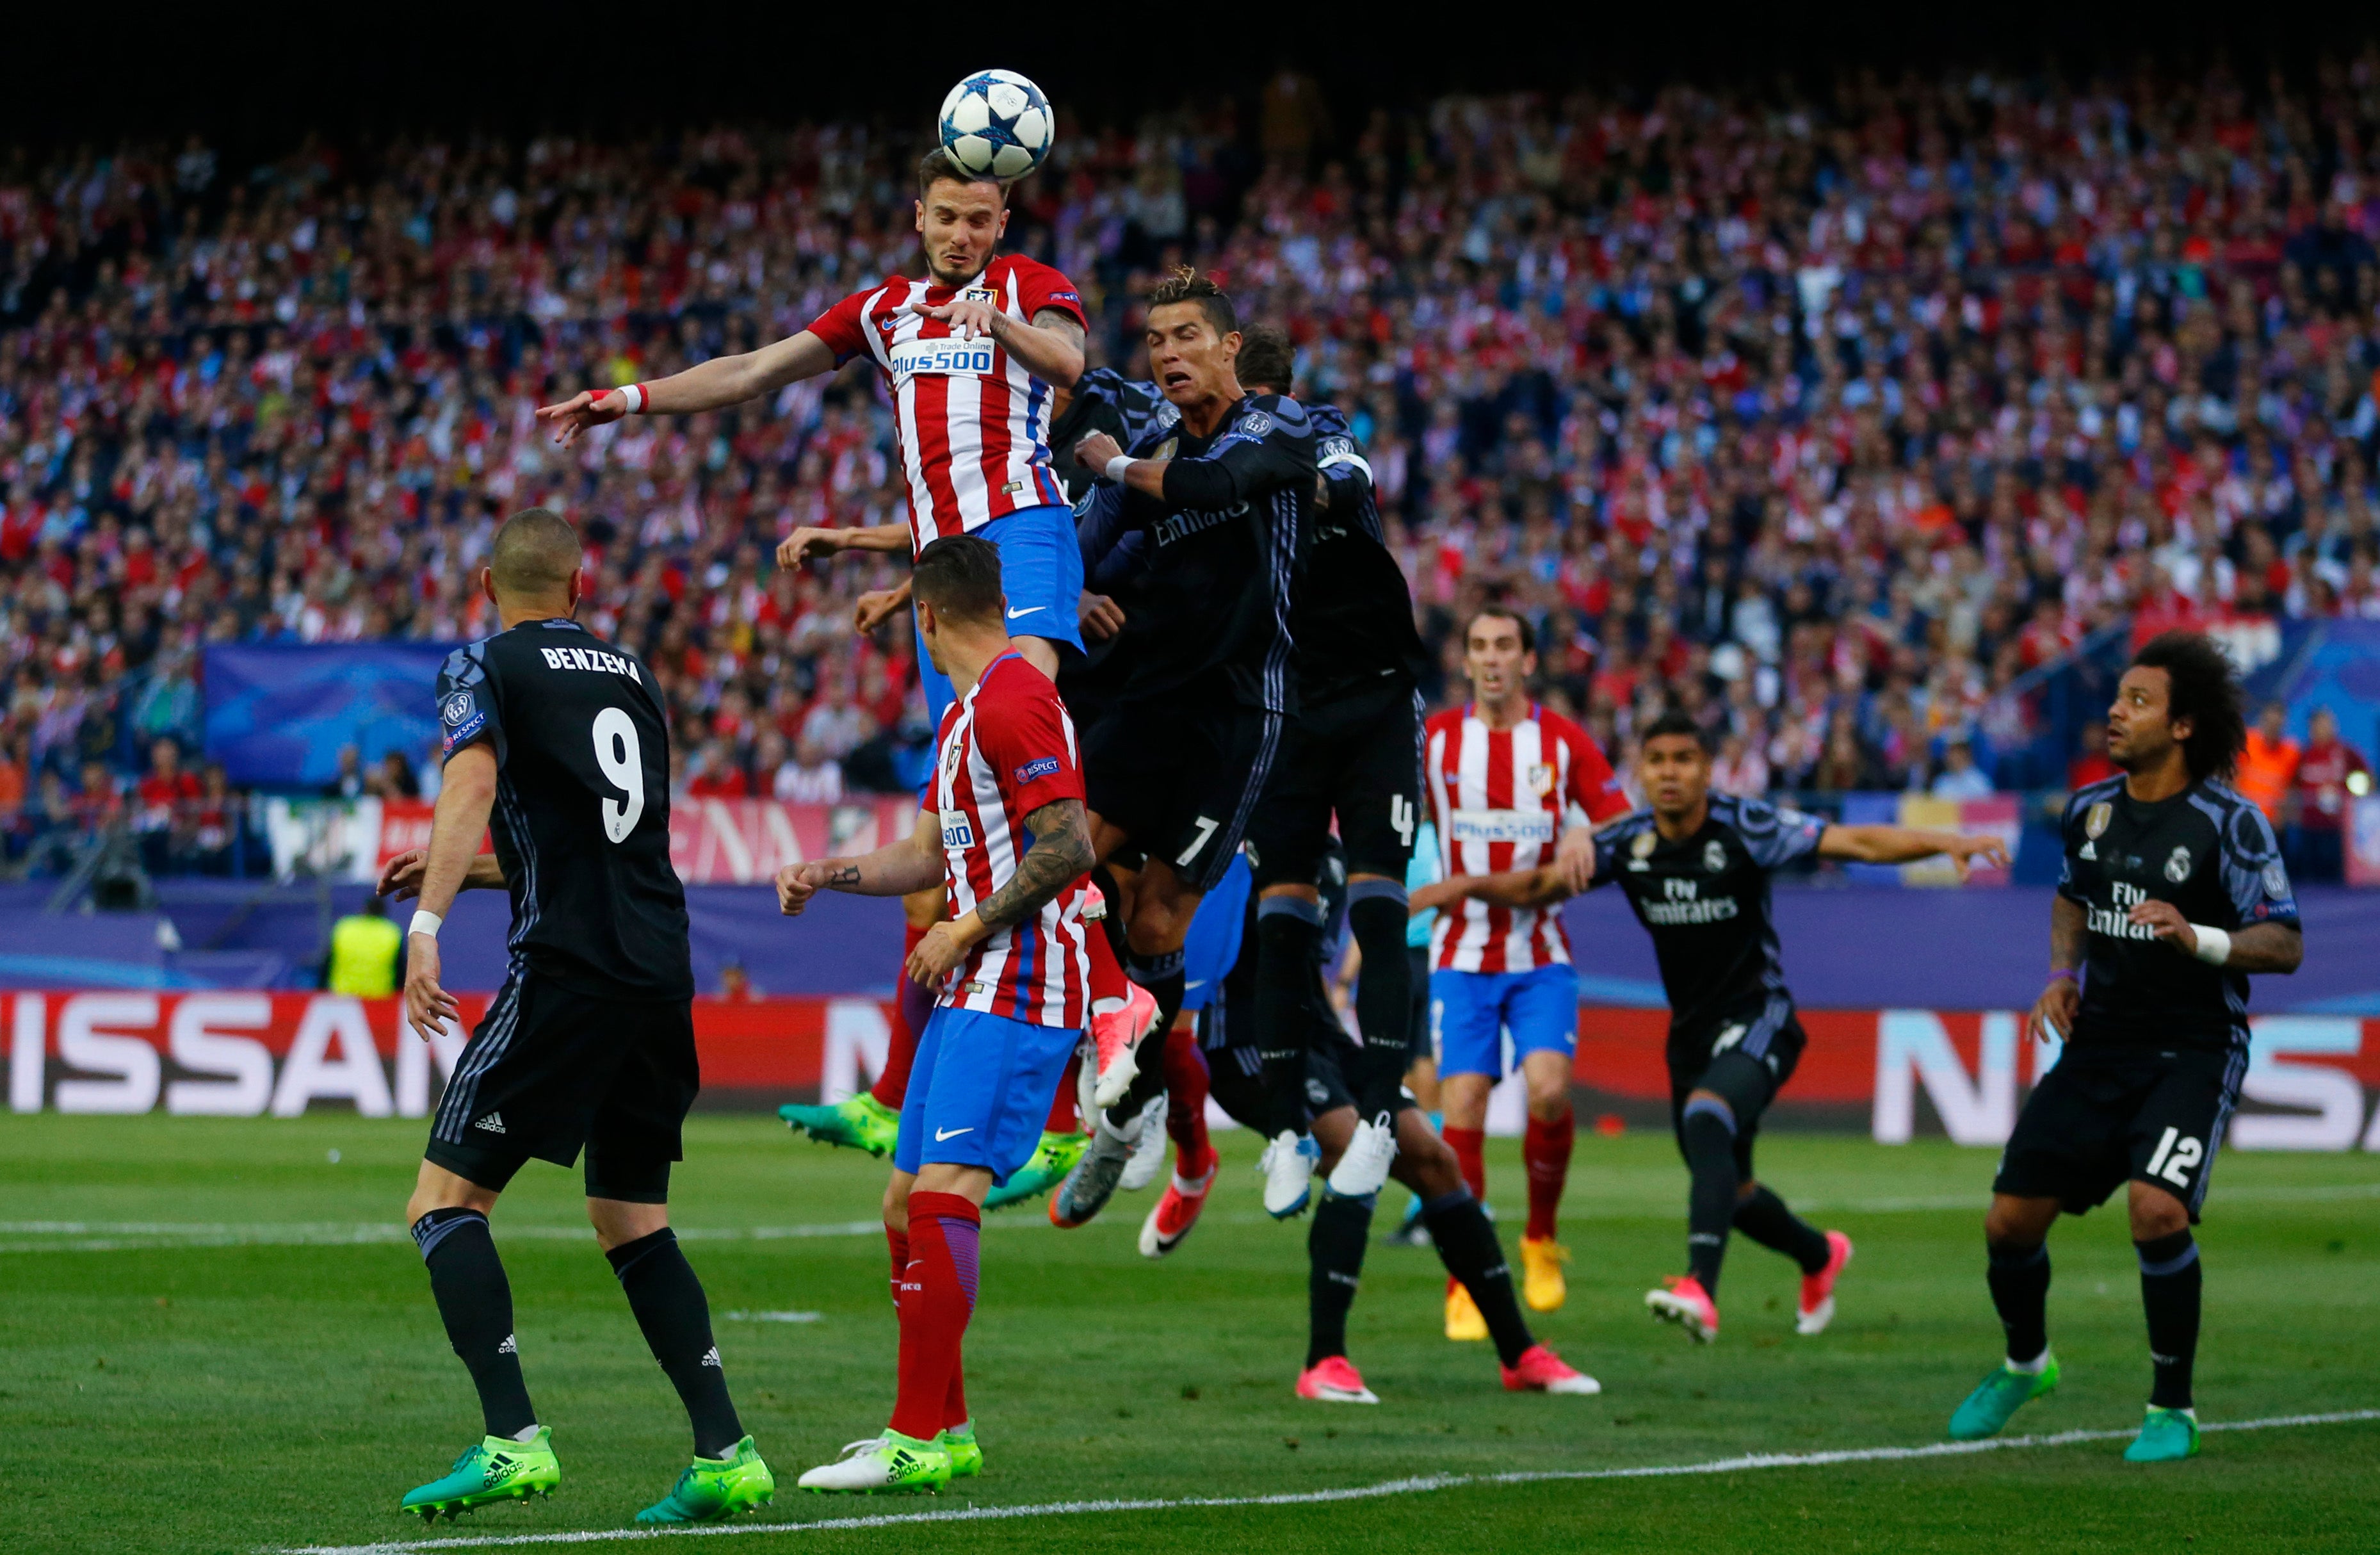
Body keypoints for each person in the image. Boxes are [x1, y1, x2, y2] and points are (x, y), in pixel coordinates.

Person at [382, 509, 774, 1525]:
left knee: (442, 1203)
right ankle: (726, 1453)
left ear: (484, 582)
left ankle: (512, 1441)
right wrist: (463, 873)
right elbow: (595, 832)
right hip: (658, 963)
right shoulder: (631, 674)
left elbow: (470, 780)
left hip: (568, 968)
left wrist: (427, 925)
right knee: (630, 1215)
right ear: (581, 589)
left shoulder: (481, 665)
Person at [1425, 709, 2007, 1346]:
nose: (1670, 772)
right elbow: (1539, 885)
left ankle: (1699, 1286)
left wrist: (1947, 842)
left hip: (1763, 1015)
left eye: (1683, 759)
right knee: (1731, 1187)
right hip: (1692, 1033)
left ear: (1707, 769)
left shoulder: (1748, 827)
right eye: (1657, 761)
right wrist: (1463, 885)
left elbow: (1856, 842)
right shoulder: (1628, 843)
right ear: (1641, 773)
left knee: (1708, 1117)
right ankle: (1818, 1255)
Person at [773, 535, 1096, 1494]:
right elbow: (927, 859)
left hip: (1019, 980)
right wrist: (829, 873)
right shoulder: (964, 720)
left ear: (924, 616)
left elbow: (1069, 844)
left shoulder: (1014, 699)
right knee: (902, 1201)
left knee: (943, 1195)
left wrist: (966, 929)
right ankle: (944, 1432)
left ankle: (912, 1436)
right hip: (972, 983)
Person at [1948, 631, 2301, 1464]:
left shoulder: (2231, 823)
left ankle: (2170, 1408)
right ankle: (2026, 1365)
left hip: (2192, 1050)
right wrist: (2061, 973)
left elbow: (2283, 942)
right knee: (2008, 1221)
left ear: (2182, 727)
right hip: (2099, 1045)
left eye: (2138, 701)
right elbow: (2072, 897)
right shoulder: (2090, 809)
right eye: (2118, 697)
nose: (2114, 710)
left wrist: (2199, 937)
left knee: (2157, 1209)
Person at [1042, 268, 1317, 1228]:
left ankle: (1146, 1108)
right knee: (1067, 854)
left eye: (1187, 335)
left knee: (1159, 921)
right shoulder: (1157, 443)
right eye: (1156, 339)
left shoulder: (1282, 431)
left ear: (1230, 348)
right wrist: (1071, 590)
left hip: (1240, 718)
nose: (1168, 354)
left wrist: (1115, 465)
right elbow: (1094, 544)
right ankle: (1127, 1090)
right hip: (1150, 704)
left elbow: (1214, 484)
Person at [1194, 843, 1601, 1402]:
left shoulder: (1333, 854)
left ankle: (1520, 1355)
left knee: (1436, 1160)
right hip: (1242, 1044)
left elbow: (1305, 963)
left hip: (1318, 1033)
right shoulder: (1223, 840)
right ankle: (1325, 1361)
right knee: (1351, 1151)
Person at [1227, 325, 1436, 1220]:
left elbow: (1345, 480)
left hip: (1375, 701)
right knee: (1282, 922)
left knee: (1381, 912)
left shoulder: (1322, 431)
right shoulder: (1195, 453)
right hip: (1285, 709)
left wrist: (1285, 477)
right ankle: (1284, 1134)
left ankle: (1381, 1118)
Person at [1418, 606, 1627, 1337]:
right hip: (1461, 954)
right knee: (1465, 1107)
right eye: (1480, 646)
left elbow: (1620, 818)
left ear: (1528, 661)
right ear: (1466, 661)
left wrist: (1581, 825)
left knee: (1548, 1091)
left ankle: (1540, 1238)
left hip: (1540, 953)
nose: (1493, 659)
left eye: (1506, 645)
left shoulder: (1562, 742)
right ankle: (1466, 1280)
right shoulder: (1436, 741)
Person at [2287, 706, 2367, 883]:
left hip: (2338, 827)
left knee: (2336, 879)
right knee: (2312, 879)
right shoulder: (2304, 755)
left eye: (2328, 723)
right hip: (2310, 827)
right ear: (2312, 727)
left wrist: (2354, 794)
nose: (2325, 727)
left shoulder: (2346, 752)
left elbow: (2365, 778)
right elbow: (2293, 788)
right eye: (2320, 724)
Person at [326, 893, 403, 997]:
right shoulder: (391, 932)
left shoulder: (344, 927)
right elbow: (401, 970)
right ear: (384, 912)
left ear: (364, 909)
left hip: (343, 996)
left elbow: (328, 963)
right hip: (379, 998)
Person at [2233, 701, 2298, 824]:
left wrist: (2283, 814)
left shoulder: (2291, 753)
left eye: (2277, 725)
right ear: (2263, 720)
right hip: (2244, 819)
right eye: (2270, 723)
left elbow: (2291, 788)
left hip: (2272, 824)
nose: (2273, 728)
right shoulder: (2246, 742)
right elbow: (2233, 778)